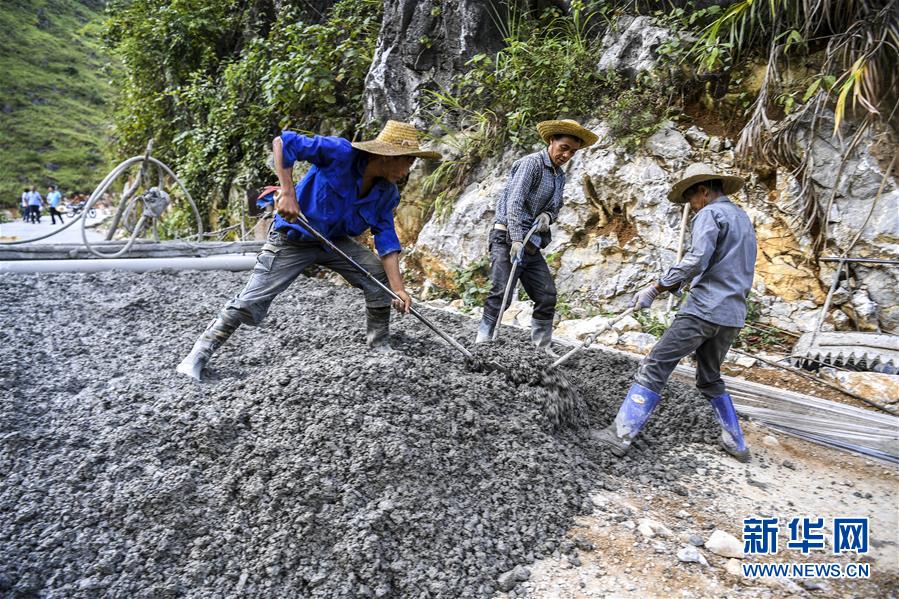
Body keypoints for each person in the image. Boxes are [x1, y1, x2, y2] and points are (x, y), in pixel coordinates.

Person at [176, 120, 442, 381]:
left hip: (334, 242)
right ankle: (198, 355)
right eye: (407, 160)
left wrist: (398, 289)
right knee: (251, 300)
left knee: (377, 277)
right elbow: (283, 142)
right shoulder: (340, 153)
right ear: (387, 156)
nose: (409, 169)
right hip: (293, 237)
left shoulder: (386, 193)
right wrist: (288, 192)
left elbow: (386, 240)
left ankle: (379, 343)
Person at [591, 163, 757, 462]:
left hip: (704, 310)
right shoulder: (742, 218)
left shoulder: (709, 213)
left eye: (691, 200)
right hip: (732, 314)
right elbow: (724, 264)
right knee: (709, 378)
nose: (691, 207)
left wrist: (657, 288)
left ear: (703, 192)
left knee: (655, 364)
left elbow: (697, 258)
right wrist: (683, 284)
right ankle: (736, 443)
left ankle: (619, 436)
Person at [475, 119, 597, 356]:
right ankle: (483, 342)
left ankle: (541, 347)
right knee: (502, 292)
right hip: (506, 237)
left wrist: (547, 216)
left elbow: (556, 206)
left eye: (572, 151)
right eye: (564, 147)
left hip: (531, 243)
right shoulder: (531, 164)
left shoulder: (559, 176)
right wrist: (517, 238)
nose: (567, 154)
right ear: (552, 141)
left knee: (546, 294)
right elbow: (515, 202)